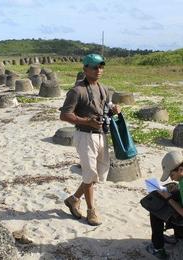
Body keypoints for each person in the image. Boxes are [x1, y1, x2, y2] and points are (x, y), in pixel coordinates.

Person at [59, 53, 120, 226]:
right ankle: (91, 211)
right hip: (85, 136)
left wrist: (113, 109)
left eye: (101, 67)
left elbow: (104, 109)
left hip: (101, 135)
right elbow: (64, 115)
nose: (98, 70)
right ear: (85, 69)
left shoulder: (103, 88)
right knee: (89, 174)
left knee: (97, 174)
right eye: (94, 67)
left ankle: (73, 199)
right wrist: (86, 121)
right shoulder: (77, 91)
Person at [146, 151, 183, 259]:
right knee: (176, 197)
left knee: (155, 206)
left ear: (181, 169)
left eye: (171, 174)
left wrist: (168, 198)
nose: (171, 178)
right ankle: (178, 237)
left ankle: (158, 248)